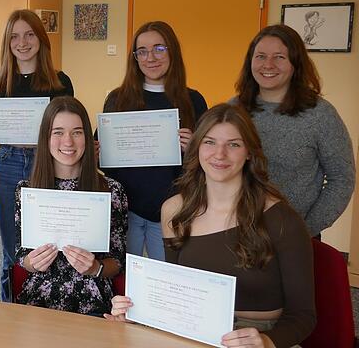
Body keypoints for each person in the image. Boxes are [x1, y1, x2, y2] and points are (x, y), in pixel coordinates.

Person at [106, 103, 316, 348]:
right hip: (193, 333)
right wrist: (137, 315)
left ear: (249, 151)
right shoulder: (175, 210)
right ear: (197, 148)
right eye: (210, 142)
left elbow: (303, 316)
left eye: (233, 144)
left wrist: (267, 341)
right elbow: (177, 295)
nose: (219, 154)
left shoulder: (281, 218)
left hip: (258, 337)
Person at [0, 9, 74, 301]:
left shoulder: (60, 82)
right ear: (7, 42)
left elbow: (67, 127)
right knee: (10, 246)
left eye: (29, 34)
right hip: (9, 162)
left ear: (41, 39)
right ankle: (9, 310)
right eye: (14, 36)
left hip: (47, 163)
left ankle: (46, 304)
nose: (22, 42)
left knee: (47, 240)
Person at [235, 24, 355, 237]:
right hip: (236, 232)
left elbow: (342, 178)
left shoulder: (320, 114)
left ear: (295, 64)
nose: (268, 64)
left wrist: (303, 230)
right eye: (260, 56)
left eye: (279, 57)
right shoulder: (234, 110)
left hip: (294, 236)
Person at [102, 21, 207, 261]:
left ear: (173, 52)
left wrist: (195, 148)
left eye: (160, 49)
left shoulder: (193, 101)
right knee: (125, 282)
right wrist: (98, 149)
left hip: (173, 211)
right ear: (135, 58)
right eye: (143, 51)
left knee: (165, 280)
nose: (151, 57)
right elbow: (104, 160)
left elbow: (208, 161)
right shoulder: (118, 99)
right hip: (126, 210)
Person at [14, 96, 127, 316]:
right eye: (58, 132)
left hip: (93, 297)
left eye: (77, 132)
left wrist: (96, 268)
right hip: (40, 296)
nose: (68, 142)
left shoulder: (111, 190)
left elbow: (118, 260)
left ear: (87, 137)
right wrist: (33, 263)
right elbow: (21, 256)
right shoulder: (27, 190)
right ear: (45, 138)